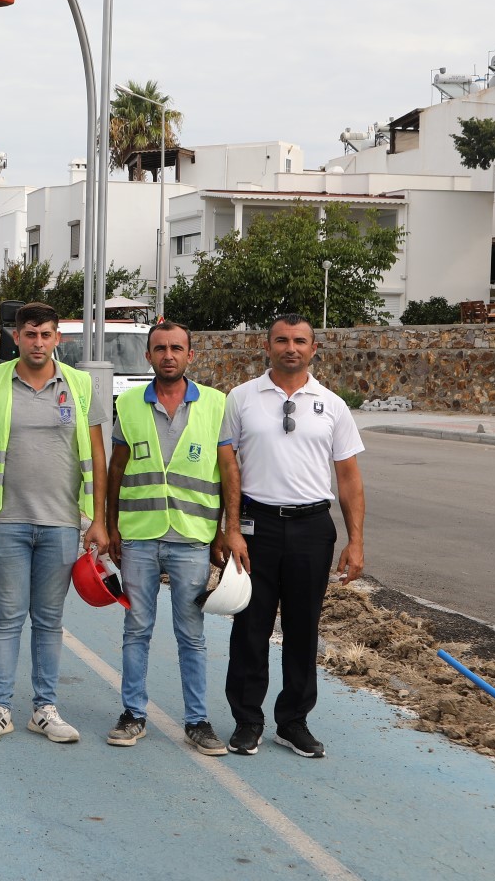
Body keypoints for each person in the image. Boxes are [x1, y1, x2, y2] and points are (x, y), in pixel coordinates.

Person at [86, 321, 238, 755]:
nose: (168, 355)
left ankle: (198, 721)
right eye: (159, 349)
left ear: (190, 355)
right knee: (137, 628)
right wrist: (112, 525)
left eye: (176, 348)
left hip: (192, 538)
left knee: (191, 634)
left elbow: (229, 470)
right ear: (148, 356)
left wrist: (226, 530)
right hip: (138, 537)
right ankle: (133, 714)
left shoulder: (215, 403)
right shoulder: (130, 403)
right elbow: (116, 470)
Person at [221, 314, 366, 759]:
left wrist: (355, 540)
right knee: (251, 627)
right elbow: (228, 466)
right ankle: (248, 721)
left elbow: (348, 479)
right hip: (256, 527)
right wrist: (230, 528)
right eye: (282, 340)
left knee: (304, 628)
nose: (291, 348)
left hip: (311, 528)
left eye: (300, 341)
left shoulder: (332, 405)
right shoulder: (242, 398)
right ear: (266, 347)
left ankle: (293, 722)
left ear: (314, 348)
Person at [0, 301, 107, 746]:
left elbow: (98, 455)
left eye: (46, 334)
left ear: (58, 338)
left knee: (49, 620)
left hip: (63, 522)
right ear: (15, 337)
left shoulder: (81, 385)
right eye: (30, 334)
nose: (38, 342)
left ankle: (44, 709)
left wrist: (98, 519)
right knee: (7, 617)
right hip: (4, 519)